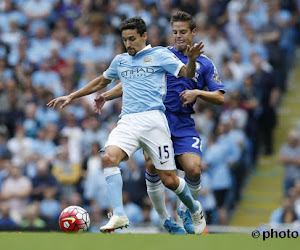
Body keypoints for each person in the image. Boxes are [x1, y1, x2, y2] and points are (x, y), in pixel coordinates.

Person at [47, 17, 206, 234]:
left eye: (132, 39)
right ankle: (119, 214)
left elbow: (186, 73)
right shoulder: (120, 61)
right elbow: (101, 81)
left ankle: (193, 207)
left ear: (144, 36)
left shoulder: (159, 55)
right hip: (128, 121)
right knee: (108, 157)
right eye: (124, 40)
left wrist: (192, 60)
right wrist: (72, 96)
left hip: (154, 122)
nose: (128, 44)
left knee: (169, 180)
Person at [94, 11, 225, 234]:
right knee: (153, 167)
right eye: (175, 32)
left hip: (182, 123)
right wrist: (107, 95)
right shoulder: (159, 54)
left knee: (193, 169)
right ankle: (165, 217)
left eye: (183, 32)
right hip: (157, 119)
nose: (178, 36)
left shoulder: (205, 63)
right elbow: (132, 82)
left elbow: (220, 96)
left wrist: (197, 92)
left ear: (193, 32)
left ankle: (186, 209)